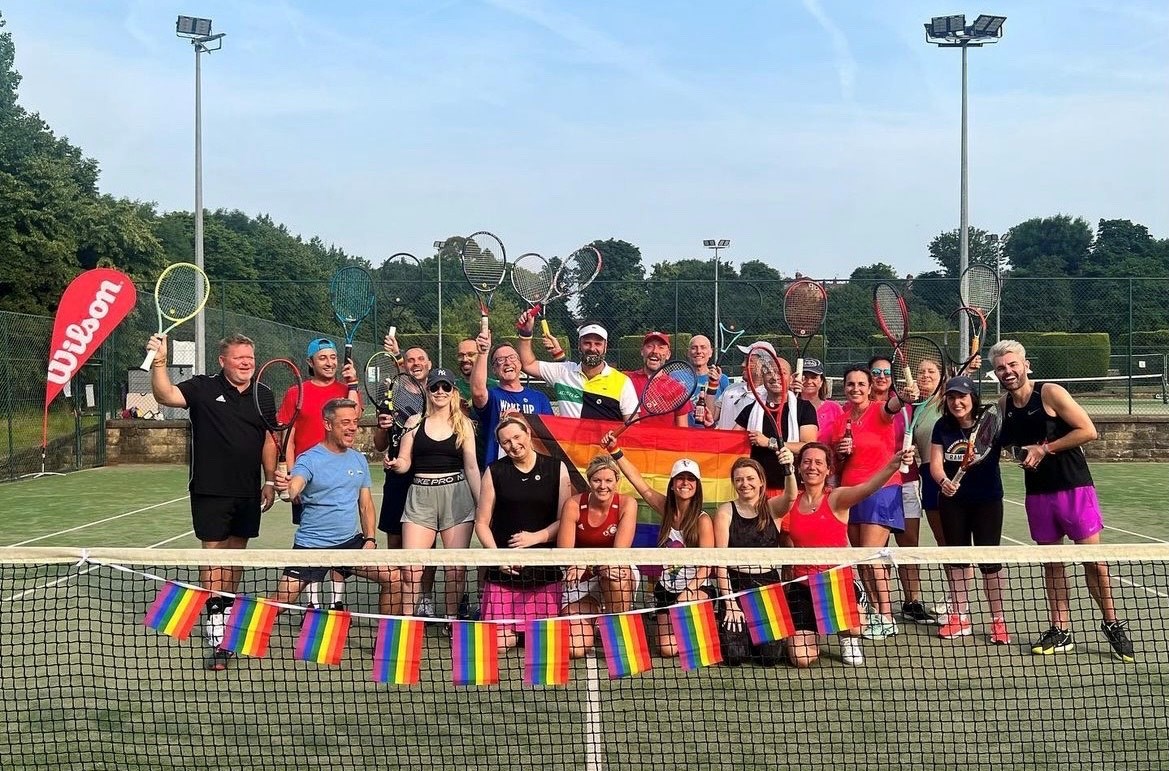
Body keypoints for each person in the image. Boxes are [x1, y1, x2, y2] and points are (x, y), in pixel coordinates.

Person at [991, 340, 1133, 661]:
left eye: (1013, 365)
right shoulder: (1003, 406)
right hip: (1038, 494)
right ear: (996, 372)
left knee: (1093, 561)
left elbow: (1088, 430)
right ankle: (1061, 629)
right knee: (1052, 564)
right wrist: (1016, 453)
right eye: (1001, 367)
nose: (1008, 371)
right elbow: (1007, 445)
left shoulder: (1050, 393)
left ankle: (1111, 622)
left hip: (1074, 488)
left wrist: (1045, 449)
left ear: (1026, 365)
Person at [147, 332, 276, 671]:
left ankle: (228, 610)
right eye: (239, 358)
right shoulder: (202, 387)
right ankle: (217, 627)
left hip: (248, 490)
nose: (247, 363)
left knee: (236, 556)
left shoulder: (263, 394)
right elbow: (165, 394)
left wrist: (271, 480)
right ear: (223, 361)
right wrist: (159, 361)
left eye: (250, 356)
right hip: (210, 489)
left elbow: (266, 439)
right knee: (214, 555)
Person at [783, 443, 914, 668]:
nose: (811, 467)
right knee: (801, 659)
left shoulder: (837, 498)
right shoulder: (789, 501)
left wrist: (893, 465)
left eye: (818, 462)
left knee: (855, 628)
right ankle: (815, 625)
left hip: (835, 584)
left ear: (828, 470)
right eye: (806, 461)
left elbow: (869, 488)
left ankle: (849, 632)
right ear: (798, 467)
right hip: (802, 585)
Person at [271, 398, 399, 625]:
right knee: (281, 601)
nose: (352, 428)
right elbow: (295, 486)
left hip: (349, 544)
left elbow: (366, 504)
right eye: (345, 423)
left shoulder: (358, 460)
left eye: (355, 422)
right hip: (311, 547)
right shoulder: (309, 459)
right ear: (328, 425)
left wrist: (369, 538)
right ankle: (229, 639)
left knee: (394, 578)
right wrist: (286, 486)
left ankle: (386, 644)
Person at [602, 432, 713, 658]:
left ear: (697, 485)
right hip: (666, 591)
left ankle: (705, 622)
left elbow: (707, 566)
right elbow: (639, 483)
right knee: (667, 649)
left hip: (695, 589)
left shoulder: (703, 520)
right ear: (672, 485)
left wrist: (689, 592)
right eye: (680, 479)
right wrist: (615, 451)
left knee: (695, 647)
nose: (685, 483)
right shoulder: (665, 509)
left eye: (690, 479)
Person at [386, 368, 481, 625]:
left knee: (455, 570)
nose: (440, 391)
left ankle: (451, 621)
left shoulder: (464, 424)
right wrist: (397, 464)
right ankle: (407, 624)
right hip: (420, 497)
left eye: (446, 387)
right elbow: (406, 460)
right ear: (428, 391)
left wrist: (482, 504)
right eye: (435, 387)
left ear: (453, 392)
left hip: (457, 497)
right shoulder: (413, 422)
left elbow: (471, 467)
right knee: (411, 570)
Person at [475, 416, 573, 649]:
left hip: (544, 573)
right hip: (505, 573)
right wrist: (498, 557)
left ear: (528, 434)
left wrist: (536, 537)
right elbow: (481, 523)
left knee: (543, 644)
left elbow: (565, 520)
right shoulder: (494, 471)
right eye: (506, 442)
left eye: (517, 437)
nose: (513, 445)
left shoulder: (556, 468)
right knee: (497, 644)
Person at [280, 338, 362, 611]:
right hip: (308, 477)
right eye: (323, 358)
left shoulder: (345, 389)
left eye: (333, 357)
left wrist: (353, 385)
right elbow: (288, 438)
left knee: (341, 536)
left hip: (342, 476)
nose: (330, 362)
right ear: (311, 362)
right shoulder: (296, 393)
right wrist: (292, 477)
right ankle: (313, 604)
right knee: (313, 538)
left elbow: (355, 416)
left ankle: (337, 601)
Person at [823, 365, 904, 639]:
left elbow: (895, 405)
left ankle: (886, 615)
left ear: (870, 387)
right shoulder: (840, 420)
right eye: (850, 384)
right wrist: (841, 452)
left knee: (872, 554)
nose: (855, 389)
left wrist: (905, 393)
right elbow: (836, 460)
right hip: (850, 492)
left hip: (882, 490)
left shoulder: (880, 410)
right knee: (860, 557)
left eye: (861, 384)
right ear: (843, 388)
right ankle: (873, 610)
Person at [929, 376, 1009, 644]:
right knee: (957, 559)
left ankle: (998, 621)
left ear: (972, 398)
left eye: (961, 396)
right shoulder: (942, 426)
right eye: (951, 397)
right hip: (952, 503)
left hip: (987, 501)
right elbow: (936, 463)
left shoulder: (989, 423)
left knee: (990, 562)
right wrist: (943, 483)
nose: (956, 402)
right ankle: (959, 616)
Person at [373, 337, 441, 616]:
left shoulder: (440, 391)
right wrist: (382, 425)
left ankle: (424, 597)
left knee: (429, 541)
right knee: (396, 538)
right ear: (404, 364)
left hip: (430, 474)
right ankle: (397, 592)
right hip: (398, 476)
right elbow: (379, 444)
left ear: (430, 364)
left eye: (420, 359)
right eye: (410, 359)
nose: (416, 363)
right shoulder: (391, 393)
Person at [866, 354, 932, 625]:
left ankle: (911, 601)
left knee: (908, 545)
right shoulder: (862, 404)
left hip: (906, 481)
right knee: (873, 551)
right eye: (876, 372)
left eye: (885, 372)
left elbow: (939, 391)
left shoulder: (909, 401)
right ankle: (877, 605)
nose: (881, 376)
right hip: (873, 486)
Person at [714, 456, 797, 667]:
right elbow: (720, 562)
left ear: (761, 480)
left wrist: (788, 469)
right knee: (734, 657)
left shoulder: (772, 508)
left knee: (770, 657)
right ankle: (730, 626)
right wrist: (730, 602)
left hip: (767, 586)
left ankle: (756, 632)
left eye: (750, 478)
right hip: (736, 585)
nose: (745, 484)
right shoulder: (725, 512)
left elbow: (791, 495)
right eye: (739, 479)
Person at [557, 455, 639, 658]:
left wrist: (585, 562)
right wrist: (577, 564)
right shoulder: (574, 505)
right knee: (574, 649)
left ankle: (616, 630)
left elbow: (617, 554)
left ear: (617, 481)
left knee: (613, 573)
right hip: (581, 580)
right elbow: (565, 552)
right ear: (589, 481)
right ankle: (594, 620)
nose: (603, 486)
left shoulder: (628, 504)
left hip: (614, 573)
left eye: (609, 480)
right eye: (597, 480)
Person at [517, 317, 638, 421]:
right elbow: (528, 364)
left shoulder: (623, 382)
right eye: (587, 343)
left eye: (598, 344)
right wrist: (526, 333)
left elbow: (632, 425)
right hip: (570, 448)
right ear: (579, 345)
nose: (592, 348)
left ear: (605, 347)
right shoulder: (563, 372)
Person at [733, 351, 817, 496]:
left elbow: (808, 446)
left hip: (790, 488)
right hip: (756, 490)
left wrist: (769, 442)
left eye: (781, 372)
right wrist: (708, 425)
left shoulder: (804, 408)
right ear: (763, 378)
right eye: (769, 372)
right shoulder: (751, 409)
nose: (774, 377)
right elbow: (730, 440)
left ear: (791, 379)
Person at [469, 329, 553, 463]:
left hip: (535, 468)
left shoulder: (539, 398)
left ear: (520, 364)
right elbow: (478, 392)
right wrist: (483, 352)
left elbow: (550, 435)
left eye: (512, 357)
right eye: (500, 360)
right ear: (495, 370)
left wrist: (521, 419)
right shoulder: (492, 397)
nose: (508, 362)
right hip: (500, 471)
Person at [625, 331, 691, 428]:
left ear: (668, 354)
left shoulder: (677, 388)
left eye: (661, 347)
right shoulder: (626, 380)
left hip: (665, 443)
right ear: (642, 351)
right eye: (650, 346)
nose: (655, 351)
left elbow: (683, 430)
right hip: (632, 442)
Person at [680, 334, 727, 427]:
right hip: (684, 436)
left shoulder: (722, 379)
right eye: (694, 348)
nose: (698, 351)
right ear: (688, 353)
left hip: (709, 436)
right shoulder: (675, 376)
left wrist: (713, 385)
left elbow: (715, 416)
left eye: (703, 347)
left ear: (710, 353)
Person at [797, 358, 843, 435]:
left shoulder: (834, 408)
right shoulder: (791, 407)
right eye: (804, 377)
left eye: (814, 377)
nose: (809, 381)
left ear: (821, 381)